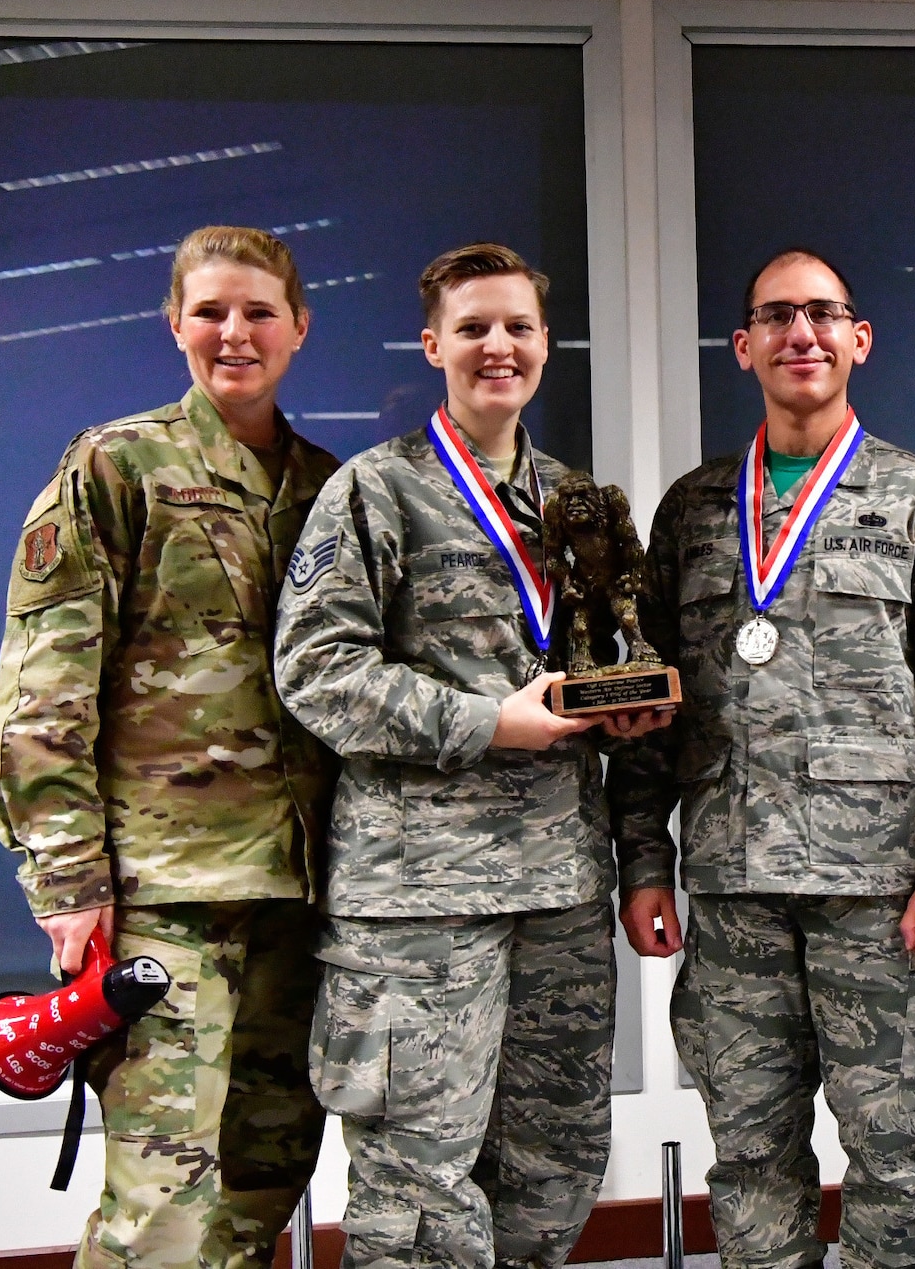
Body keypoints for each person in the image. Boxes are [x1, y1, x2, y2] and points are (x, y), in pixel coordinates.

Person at [612, 247, 915, 1269]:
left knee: (892, 1152)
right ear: (743, 345)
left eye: (823, 314)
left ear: (857, 340)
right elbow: (650, 700)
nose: (802, 334)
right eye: (777, 316)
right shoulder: (693, 510)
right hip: (732, 887)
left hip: (879, 894)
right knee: (748, 1154)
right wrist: (644, 862)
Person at [273, 244, 669, 1269]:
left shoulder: (577, 500)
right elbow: (316, 671)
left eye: (519, 328)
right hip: (418, 903)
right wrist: (490, 720)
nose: (499, 346)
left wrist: (618, 709)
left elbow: (605, 659)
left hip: (558, 888)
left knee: (556, 1161)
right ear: (434, 343)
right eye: (476, 328)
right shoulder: (378, 491)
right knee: (417, 1184)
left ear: (544, 345)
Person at [0, 225, 340, 1267]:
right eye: (211, 311)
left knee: (266, 1178)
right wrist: (65, 879)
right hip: (159, 894)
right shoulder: (116, 464)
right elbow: (44, 684)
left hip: (302, 896)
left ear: (299, 327)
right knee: (162, 1208)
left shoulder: (330, 490)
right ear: (175, 323)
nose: (235, 332)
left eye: (258, 310)